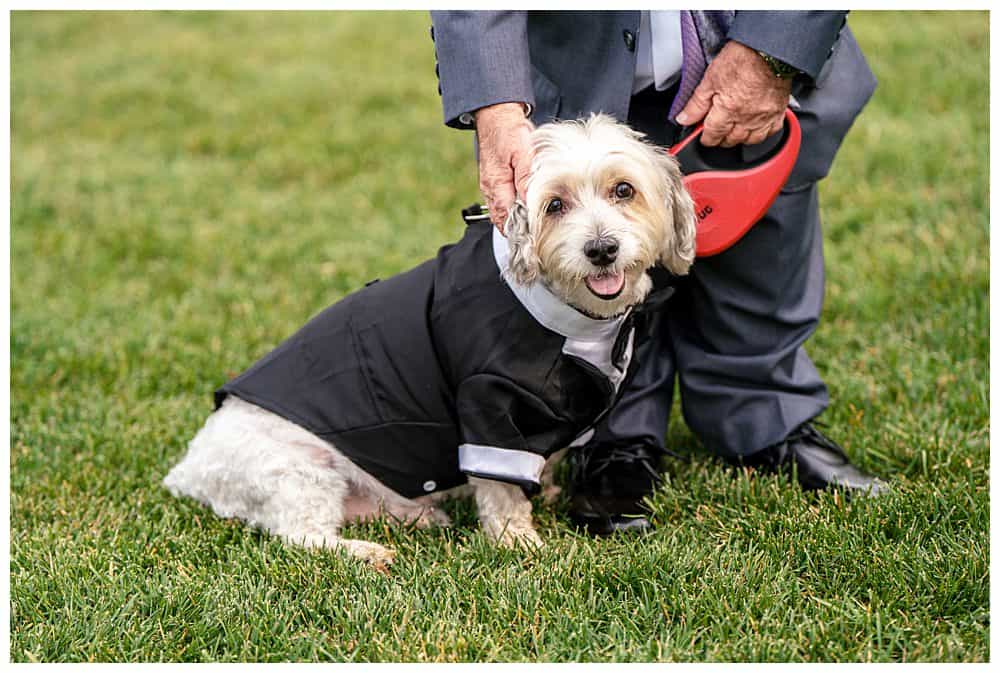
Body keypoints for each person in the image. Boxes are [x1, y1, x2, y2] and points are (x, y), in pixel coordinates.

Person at [429, 10, 888, 535]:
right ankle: (612, 439)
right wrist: (495, 105)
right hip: (568, 66)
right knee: (584, 272)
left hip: (750, 33)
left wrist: (774, 49)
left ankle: (767, 413)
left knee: (763, 238)